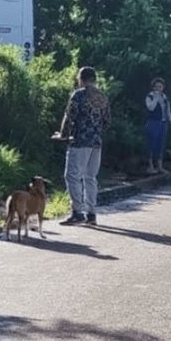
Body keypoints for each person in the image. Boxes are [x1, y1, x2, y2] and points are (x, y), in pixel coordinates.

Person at [55, 66, 111, 226]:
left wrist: (63, 134)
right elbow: (107, 122)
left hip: (80, 141)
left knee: (72, 175)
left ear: (81, 78)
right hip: (96, 142)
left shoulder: (79, 95)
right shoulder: (102, 96)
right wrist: (96, 131)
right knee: (90, 177)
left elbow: (70, 116)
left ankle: (77, 212)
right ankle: (91, 213)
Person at [144, 77, 171, 175]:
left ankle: (160, 166)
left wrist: (170, 119)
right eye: (156, 86)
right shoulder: (150, 96)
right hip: (153, 122)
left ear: (163, 87)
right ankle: (150, 166)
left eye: (160, 86)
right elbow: (150, 107)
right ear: (153, 87)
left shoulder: (165, 97)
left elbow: (167, 109)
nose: (158, 88)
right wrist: (156, 98)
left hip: (163, 123)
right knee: (151, 143)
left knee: (161, 144)